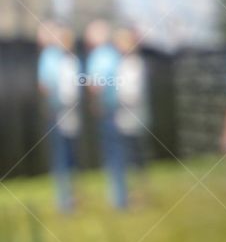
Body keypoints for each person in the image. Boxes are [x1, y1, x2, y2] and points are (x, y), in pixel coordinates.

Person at [37, 21, 81, 212]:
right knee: (62, 157)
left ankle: (70, 197)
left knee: (68, 156)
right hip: (58, 114)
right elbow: (44, 86)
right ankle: (64, 200)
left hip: (67, 114)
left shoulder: (66, 59)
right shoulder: (51, 56)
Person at [84, 19, 127, 210]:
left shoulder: (98, 56)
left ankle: (118, 199)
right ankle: (120, 196)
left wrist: (93, 101)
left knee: (112, 154)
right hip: (120, 110)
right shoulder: (114, 54)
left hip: (108, 112)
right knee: (119, 152)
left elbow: (96, 85)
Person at [114, 24, 150, 204]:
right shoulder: (123, 63)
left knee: (137, 161)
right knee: (129, 160)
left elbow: (132, 94)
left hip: (134, 120)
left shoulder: (134, 64)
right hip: (124, 121)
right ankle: (133, 194)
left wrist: (115, 96)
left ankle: (141, 195)